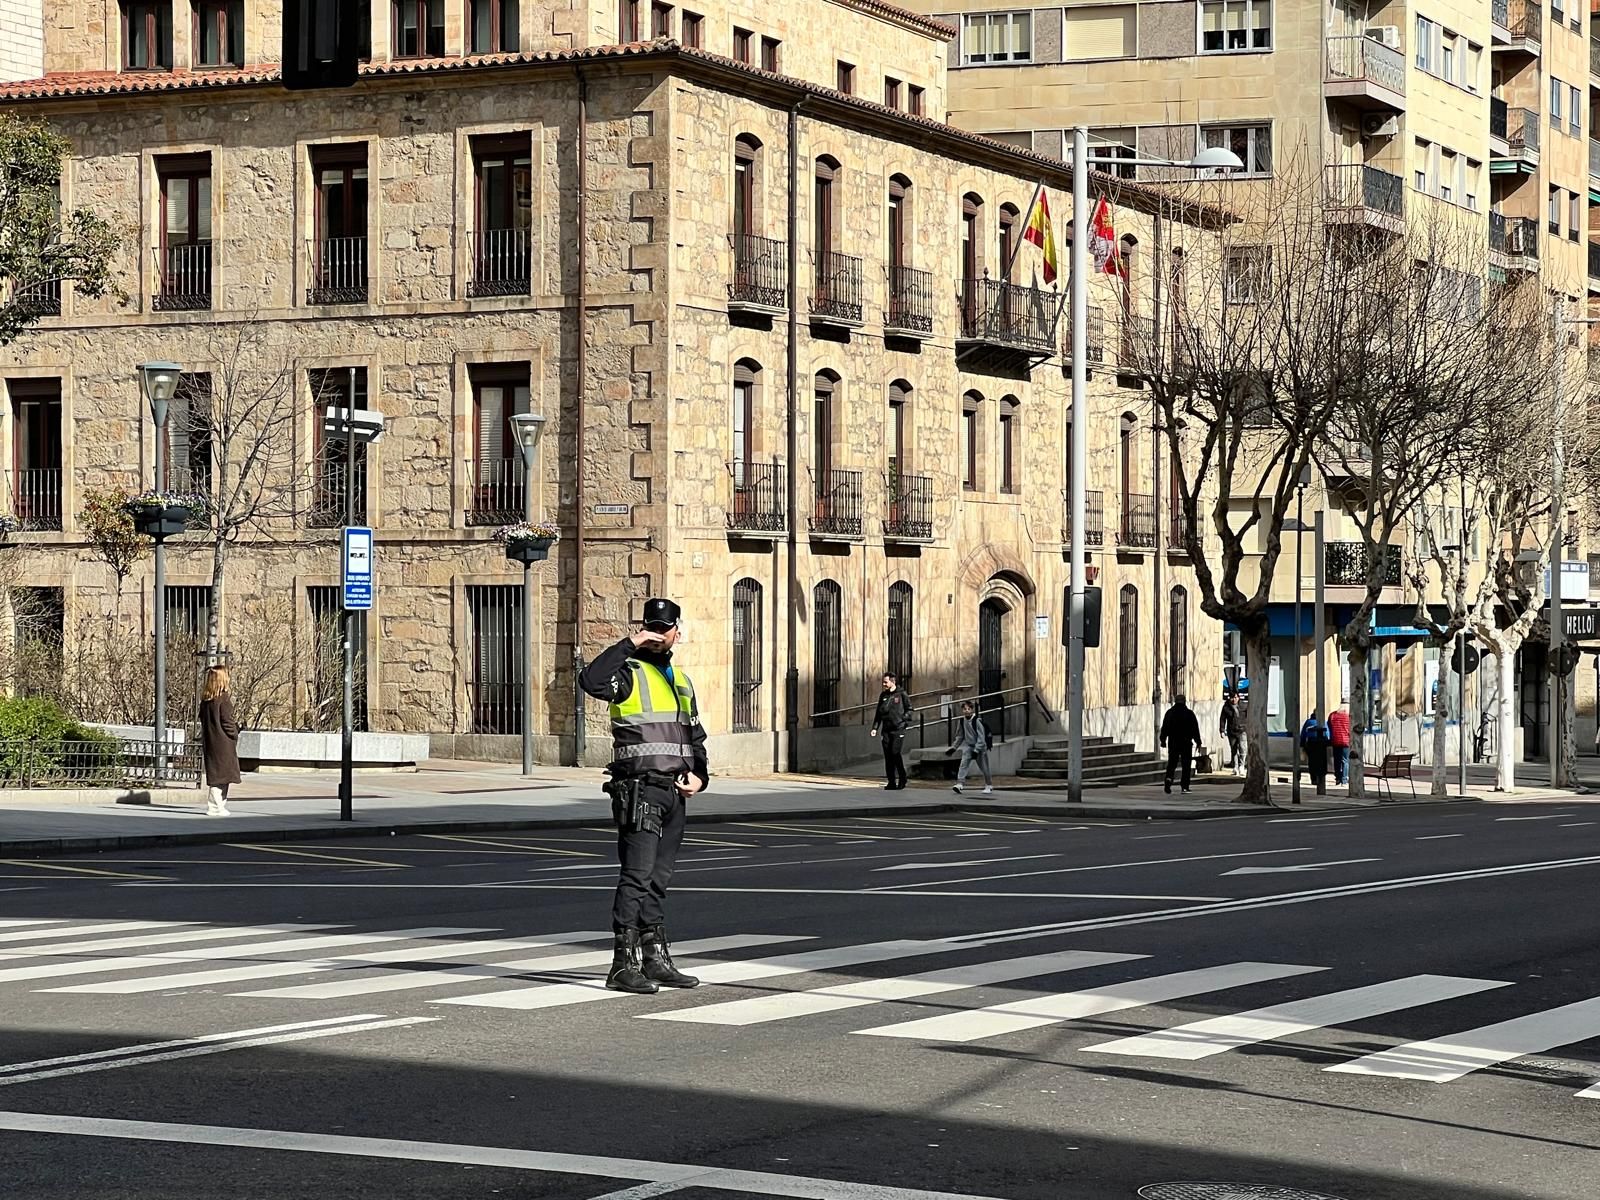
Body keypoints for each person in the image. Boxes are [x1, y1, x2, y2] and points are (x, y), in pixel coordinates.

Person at [578, 597, 708, 995]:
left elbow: (694, 735)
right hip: (639, 790)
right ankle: (622, 964)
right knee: (636, 876)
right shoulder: (629, 673)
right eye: (650, 627)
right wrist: (629, 643)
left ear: (677, 632)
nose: (656, 634)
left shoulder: (681, 680)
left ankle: (655, 958)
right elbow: (591, 681)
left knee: (658, 879)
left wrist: (700, 776)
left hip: (673, 792)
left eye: (662, 628)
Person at [198, 666, 241, 817]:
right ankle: (216, 806)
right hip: (223, 743)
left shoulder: (206, 700)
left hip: (211, 741)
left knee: (217, 775)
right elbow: (227, 722)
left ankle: (218, 805)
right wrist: (234, 734)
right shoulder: (223, 700)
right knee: (222, 776)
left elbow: (202, 720)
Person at [870, 673, 913, 790]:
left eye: (885, 682)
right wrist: (875, 727)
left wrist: (903, 718)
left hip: (898, 729)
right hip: (886, 730)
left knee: (895, 753)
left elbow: (910, 709)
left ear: (892, 682)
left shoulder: (902, 694)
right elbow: (878, 713)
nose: (883, 684)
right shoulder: (883, 695)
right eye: (883, 682)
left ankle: (902, 778)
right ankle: (891, 781)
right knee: (888, 756)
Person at [1160, 693, 1202, 794]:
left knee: (1172, 763)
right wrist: (1198, 741)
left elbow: (1165, 728)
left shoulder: (1170, 713)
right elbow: (1195, 729)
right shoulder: (1189, 713)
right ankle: (1184, 786)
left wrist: (1163, 740)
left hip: (1173, 742)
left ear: (1175, 701)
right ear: (1184, 701)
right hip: (1186, 743)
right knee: (1186, 765)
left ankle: (1168, 780)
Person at [949, 700, 993, 794]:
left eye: (969, 709)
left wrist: (977, 750)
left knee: (984, 767)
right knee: (963, 763)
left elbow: (981, 737)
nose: (967, 711)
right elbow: (960, 736)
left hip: (980, 747)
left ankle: (988, 785)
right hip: (969, 746)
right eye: (965, 709)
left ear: (972, 710)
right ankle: (960, 783)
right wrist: (954, 747)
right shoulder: (961, 721)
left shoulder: (977, 721)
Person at [1220, 691, 1246, 778]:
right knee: (1234, 749)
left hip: (1242, 730)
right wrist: (1222, 730)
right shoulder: (1226, 707)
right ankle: (1235, 767)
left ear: (1238, 697)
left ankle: (1241, 766)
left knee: (1243, 748)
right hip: (1232, 731)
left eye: (1235, 697)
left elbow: (1248, 716)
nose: (1234, 699)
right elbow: (1222, 719)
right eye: (1232, 698)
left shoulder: (1244, 706)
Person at [1300, 713, 1329, 788]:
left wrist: (1302, 745)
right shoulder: (1324, 722)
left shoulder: (1308, 722)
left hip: (1311, 743)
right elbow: (1328, 734)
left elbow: (1303, 734)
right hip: (1321, 744)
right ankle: (1321, 778)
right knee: (1321, 761)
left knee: (1312, 761)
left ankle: (1313, 779)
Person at [1328, 706, 1352, 785]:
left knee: (1337, 760)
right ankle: (1344, 779)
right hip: (1345, 741)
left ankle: (1338, 778)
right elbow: (1350, 730)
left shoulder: (1332, 715)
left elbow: (1329, 727)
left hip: (1335, 741)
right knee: (1345, 760)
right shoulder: (1348, 717)